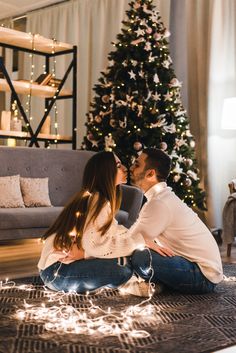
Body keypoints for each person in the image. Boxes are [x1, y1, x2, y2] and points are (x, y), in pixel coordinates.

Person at [38, 151, 154, 295]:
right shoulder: (98, 201)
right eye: (118, 166)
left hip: (53, 271)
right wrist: (138, 242)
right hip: (58, 273)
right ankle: (132, 279)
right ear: (105, 172)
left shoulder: (95, 197)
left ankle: (132, 277)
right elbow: (94, 244)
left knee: (123, 259)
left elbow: (110, 231)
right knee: (122, 269)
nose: (124, 168)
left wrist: (133, 239)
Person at [129, 148, 223, 294]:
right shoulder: (162, 198)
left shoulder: (159, 203)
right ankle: (158, 283)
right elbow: (136, 237)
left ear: (150, 174)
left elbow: (129, 240)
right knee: (141, 249)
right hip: (199, 269)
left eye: (136, 164)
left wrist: (144, 242)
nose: (131, 168)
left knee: (140, 256)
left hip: (202, 276)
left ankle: (145, 283)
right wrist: (146, 241)